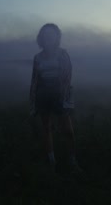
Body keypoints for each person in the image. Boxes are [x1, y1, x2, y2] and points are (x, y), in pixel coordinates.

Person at [29, 23, 82, 174]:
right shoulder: (37, 58)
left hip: (59, 95)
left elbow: (67, 77)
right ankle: (52, 162)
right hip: (42, 96)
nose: (48, 38)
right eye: (45, 35)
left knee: (68, 131)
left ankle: (73, 162)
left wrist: (65, 99)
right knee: (47, 130)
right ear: (41, 38)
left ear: (57, 37)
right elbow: (35, 80)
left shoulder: (63, 54)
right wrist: (32, 102)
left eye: (52, 35)